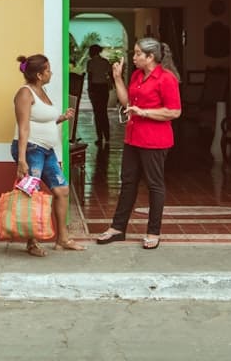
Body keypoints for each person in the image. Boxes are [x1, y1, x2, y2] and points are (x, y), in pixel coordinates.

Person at [94, 38, 181, 250]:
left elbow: (174, 111)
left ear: (150, 57)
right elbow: (127, 103)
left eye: (137, 54)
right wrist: (117, 78)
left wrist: (145, 112)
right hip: (133, 137)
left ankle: (153, 232)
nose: (133, 58)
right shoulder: (136, 75)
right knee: (128, 182)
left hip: (155, 139)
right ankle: (117, 228)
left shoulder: (166, 79)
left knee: (154, 185)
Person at [11, 53, 87, 256]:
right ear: (39, 74)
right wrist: (21, 160)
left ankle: (62, 239)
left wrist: (61, 118)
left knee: (61, 190)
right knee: (31, 193)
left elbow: (43, 120)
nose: (51, 72)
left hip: (47, 150)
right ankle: (32, 242)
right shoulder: (25, 94)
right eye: (48, 70)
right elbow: (24, 127)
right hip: (31, 150)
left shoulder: (41, 91)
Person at [85, 44, 113, 147]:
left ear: (92, 52)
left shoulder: (90, 63)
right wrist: (111, 85)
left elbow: (90, 77)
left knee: (97, 113)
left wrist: (89, 89)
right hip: (104, 88)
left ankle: (100, 137)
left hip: (95, 88)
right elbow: (109, 75)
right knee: (103, 112)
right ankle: (107, 136)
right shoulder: (105, 62)